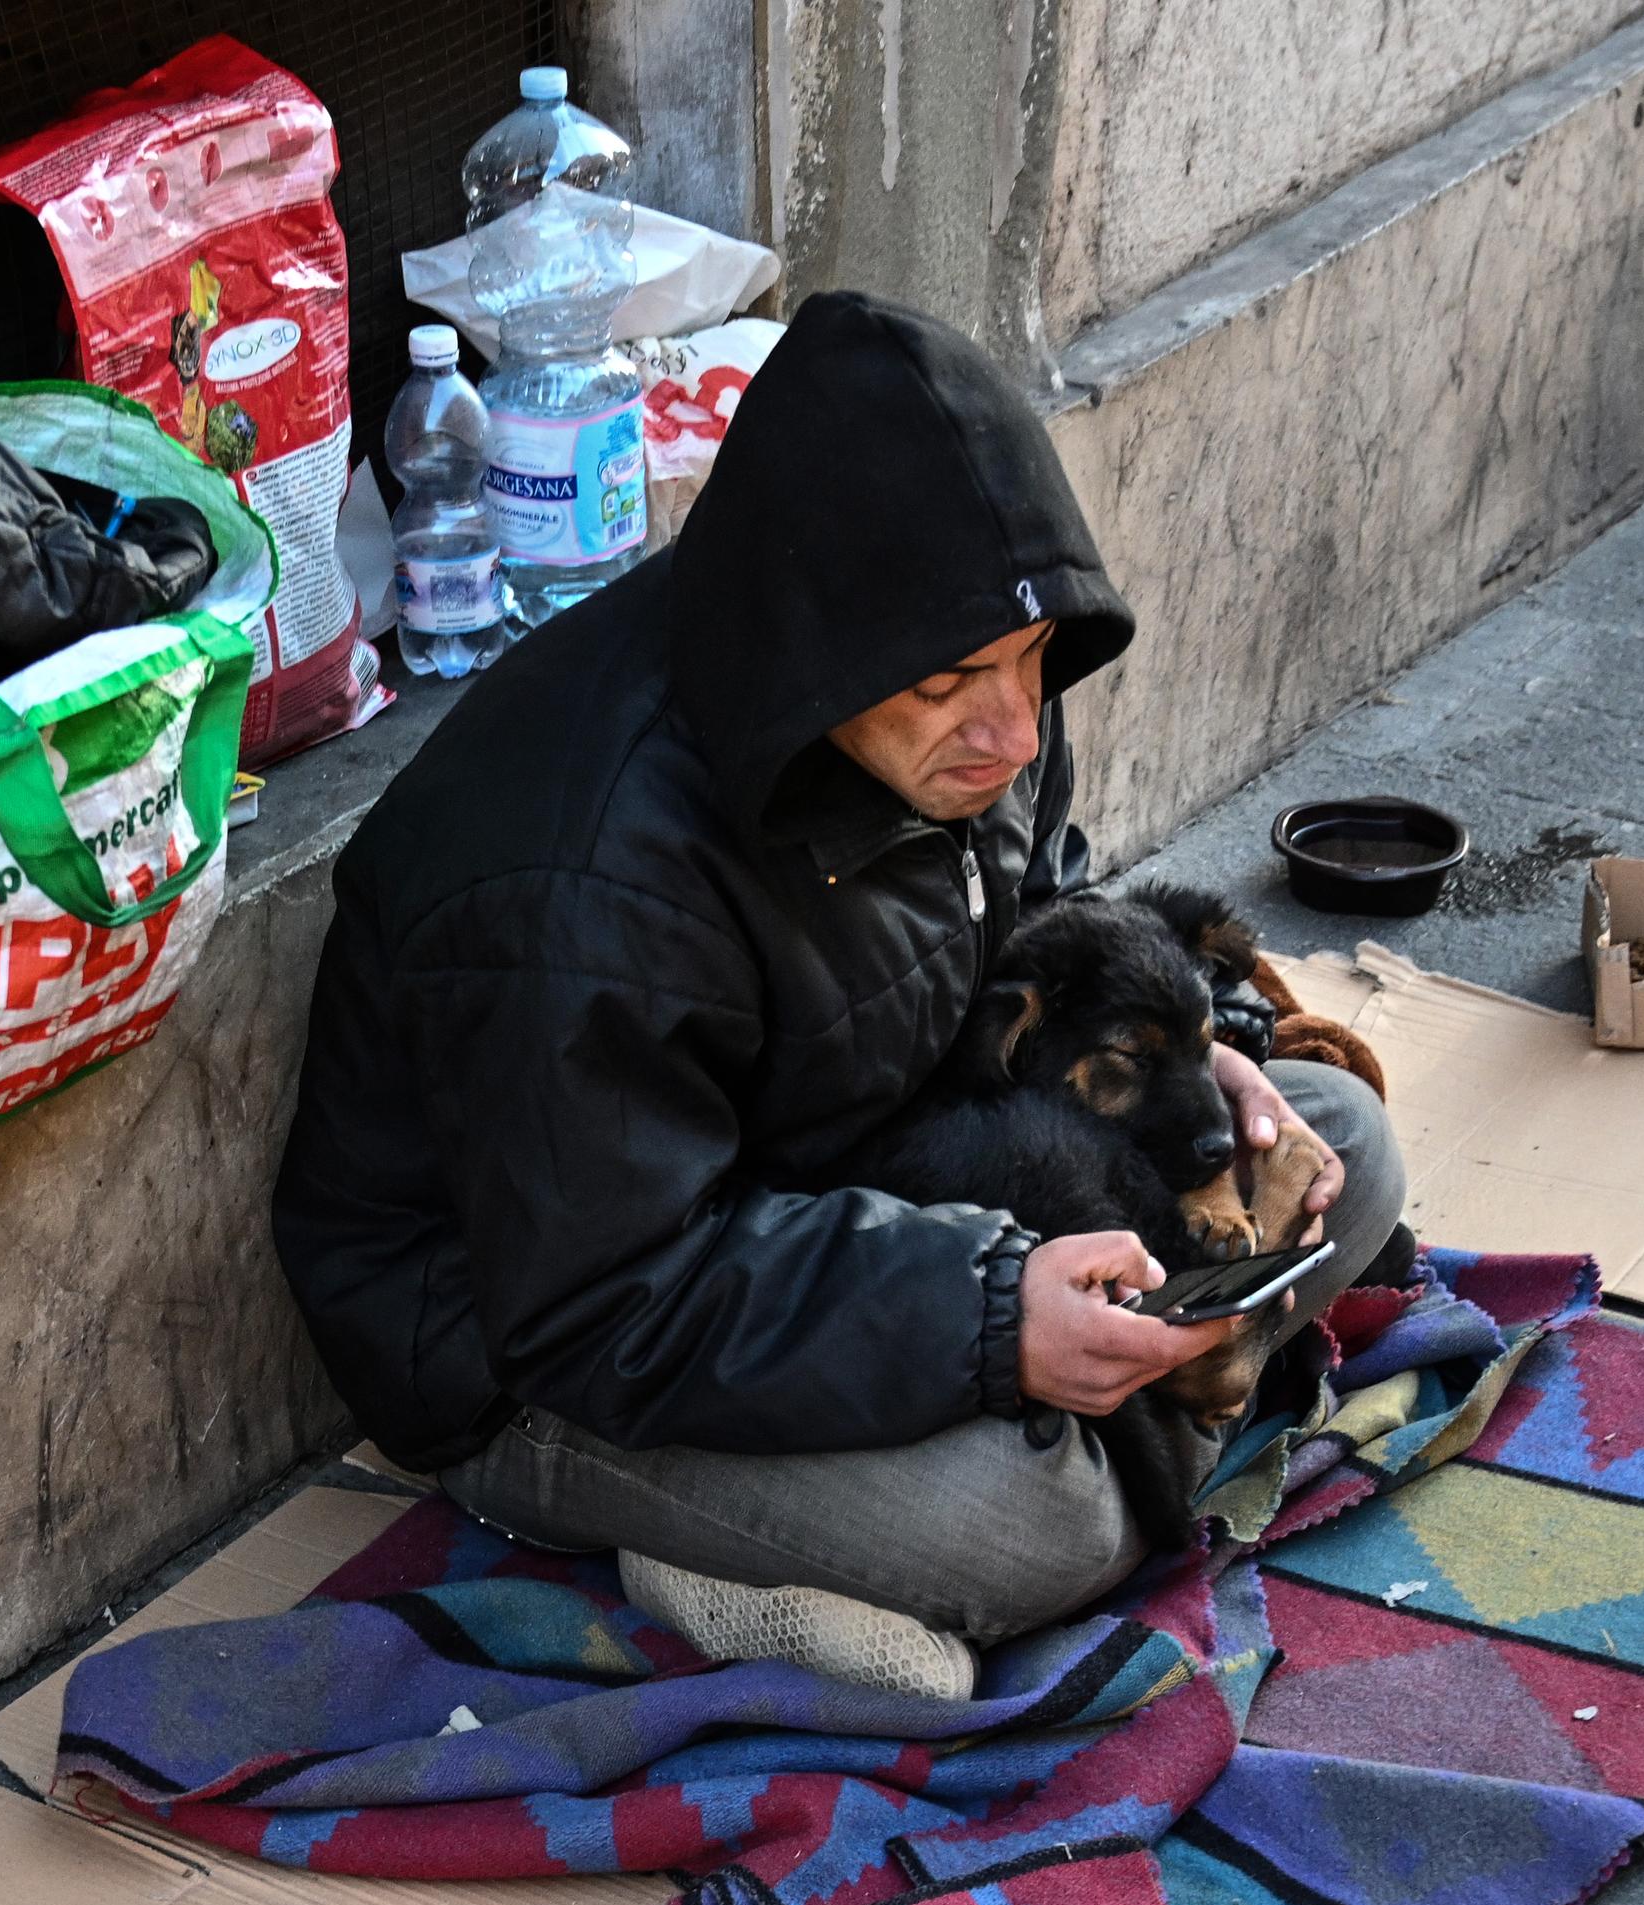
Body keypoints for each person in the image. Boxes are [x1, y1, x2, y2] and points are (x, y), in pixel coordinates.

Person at [272, 293, 1405, 1695]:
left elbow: (1031, 922)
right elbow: (610, 1305)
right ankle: (753, 1546)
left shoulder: (964, 685)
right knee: (1027, 1523)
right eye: (954, 684)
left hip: (867, 1167)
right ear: (825, 661)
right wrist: (995, 1320)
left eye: (1034, 666)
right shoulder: (580, 886)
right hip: (541, 1356)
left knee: (1335, 1150)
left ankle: (1133, 1400)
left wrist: (1194, 1058)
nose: (1012, 727)